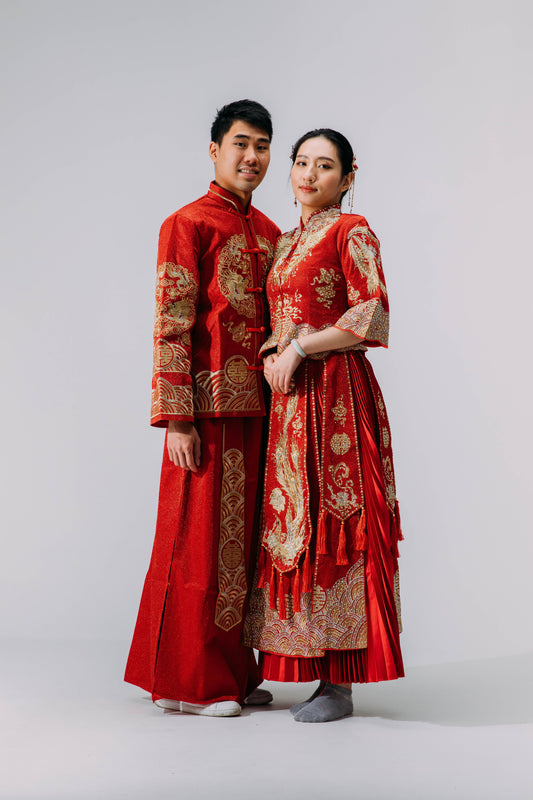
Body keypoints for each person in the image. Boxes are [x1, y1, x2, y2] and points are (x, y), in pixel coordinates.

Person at [125, 100, 281, 717]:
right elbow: (171, 323)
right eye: (241, 143)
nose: (252, 156)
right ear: (215, 150)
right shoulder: (186, 223)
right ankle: (189, 683)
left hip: (262, 411)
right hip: (207, 413)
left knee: (244, 549)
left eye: (262, 145)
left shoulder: (270, 231)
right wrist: (177, 418)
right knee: (197, 543)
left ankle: (234, 675)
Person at [243, 128, 404, 722]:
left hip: (336, 396)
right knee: (295, 526)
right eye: (302, 162)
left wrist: (299, 348)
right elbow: (280, 316)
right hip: (290, 402)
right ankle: (297, 665)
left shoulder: (351, 230)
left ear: (347, 175)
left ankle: (340, 684)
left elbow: (371, 311)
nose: (309, 175)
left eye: (325, 165)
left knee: (340, 522)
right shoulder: (285, 242)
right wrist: (273, 350)